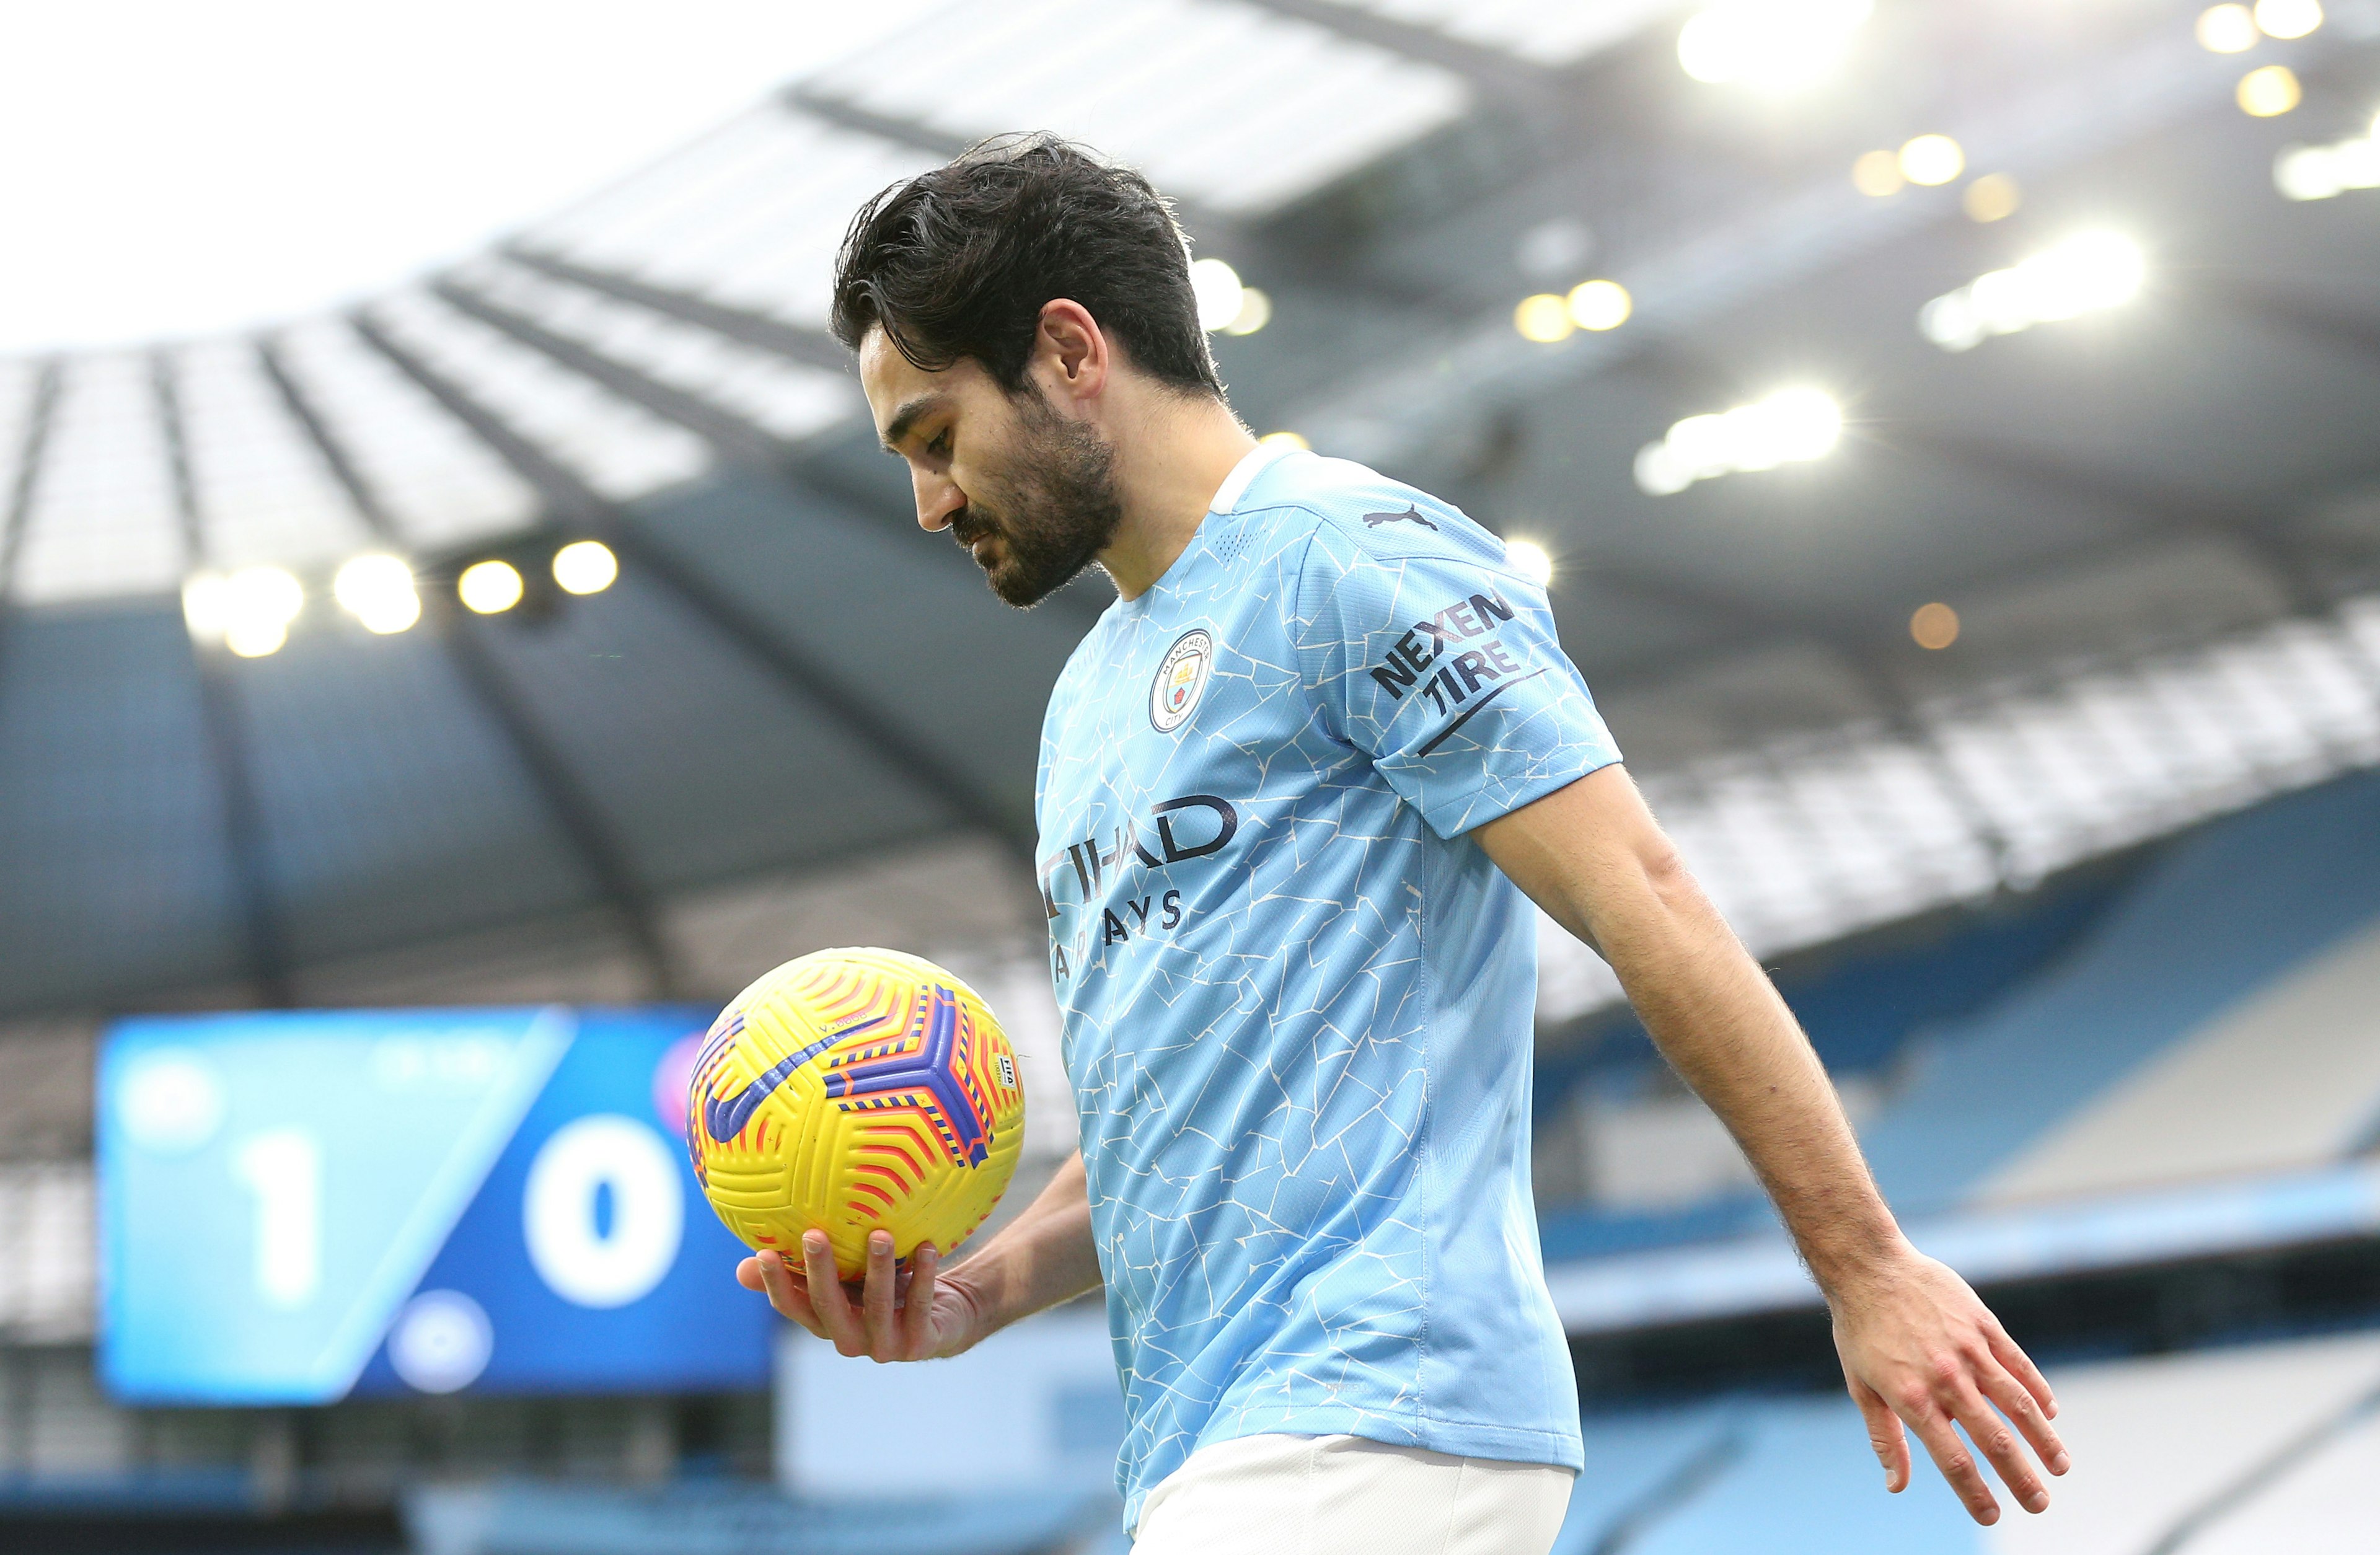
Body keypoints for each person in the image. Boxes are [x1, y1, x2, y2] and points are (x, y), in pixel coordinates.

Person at [737, 134, 2068, 1553]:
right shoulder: (1084, 711)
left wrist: (1866, 1263)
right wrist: (977, 1294)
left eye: (936, 437)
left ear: (1071, 353)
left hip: (1375, 1402)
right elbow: (1166, 1124)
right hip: (1220, 1442)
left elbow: (1640, 891)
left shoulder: (1354, 553)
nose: (930, 502)